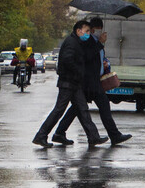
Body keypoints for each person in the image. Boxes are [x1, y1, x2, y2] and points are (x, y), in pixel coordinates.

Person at [52, 17, 132, 146]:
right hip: (88, 82)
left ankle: (60, 133)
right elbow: (86, 57)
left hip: (94, 81)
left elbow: (98, 58)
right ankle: (113, 135)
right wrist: (100, 43)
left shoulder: (95, 42)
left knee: (78, 108)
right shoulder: (87, 42)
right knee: (98, 106)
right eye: (96, 30)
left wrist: (105, 64)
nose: (99, 32)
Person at [32, 20, 109, 148]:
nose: (89, 34)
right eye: (87, 31)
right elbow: (68, 60)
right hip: (68, 82)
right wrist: (79, 72)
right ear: (79, 31)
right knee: (59, 110)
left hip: (74, 83)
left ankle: (93, 137)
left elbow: (83, 57)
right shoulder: (71, 43)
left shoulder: (77, 42)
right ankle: (41, 135)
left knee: (83, 109)